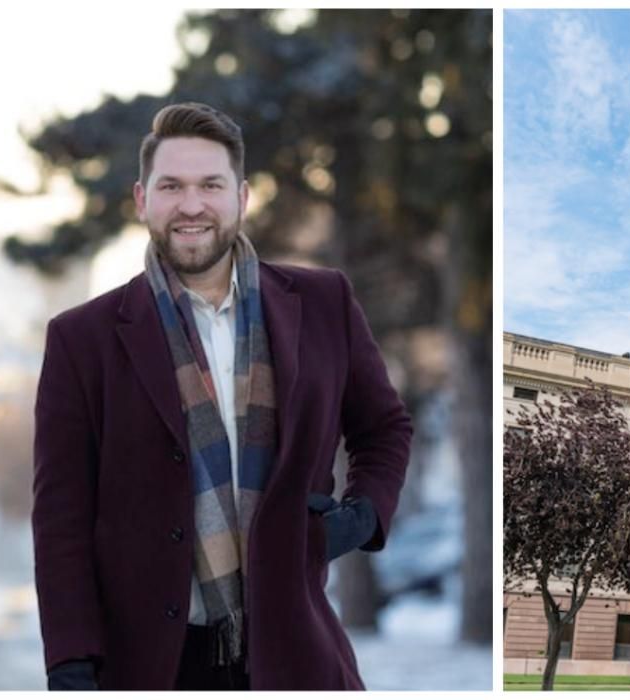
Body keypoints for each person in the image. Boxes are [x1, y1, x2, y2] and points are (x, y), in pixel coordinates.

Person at [31, 102, 412, 690]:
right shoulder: (82, 339)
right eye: (171, 186)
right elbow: (61, 519)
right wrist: (70, 661)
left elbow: (384, 427)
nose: (191, 205)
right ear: (141, 200)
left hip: (295, 653)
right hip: (151, 665)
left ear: (242, 196)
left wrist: (362, 516)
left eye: (211, 185)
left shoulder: (323, 303)